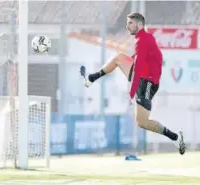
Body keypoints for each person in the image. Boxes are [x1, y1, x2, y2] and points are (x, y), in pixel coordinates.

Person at [80, 12, 186, 155]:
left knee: (142, 122)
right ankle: (91, 78)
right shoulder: (143, 39)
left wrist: (131, 93)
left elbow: (142, 65)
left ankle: (176, 138)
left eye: (130, 23)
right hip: (145, 78)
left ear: (139, 24)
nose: (127, 26)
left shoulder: (143, 40)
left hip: (147, 82)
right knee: (119, 58)